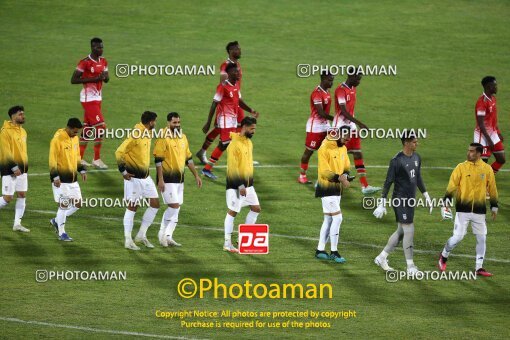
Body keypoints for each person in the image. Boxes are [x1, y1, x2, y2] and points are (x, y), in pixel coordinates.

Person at [373, 131, 433, 273]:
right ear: (406, 142)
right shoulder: (396, 160)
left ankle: (381, 257)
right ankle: (410, 266)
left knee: (401, 232)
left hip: (411, 200)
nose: (416, 143)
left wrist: (426, 195)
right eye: (414, 141)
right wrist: (382, 203)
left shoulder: (417, 157)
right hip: (400, 200)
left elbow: (417, 177)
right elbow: (388, 182)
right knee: (409, 230)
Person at [438, 143, 498, 277]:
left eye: (471, 151)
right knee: (457, 237)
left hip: (479, 211)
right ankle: (443, 256)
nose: (468, 153)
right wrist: (446, 203)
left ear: (479, 154)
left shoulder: (487, 169)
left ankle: (479, 267)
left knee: (482, 238)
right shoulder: (461, 167)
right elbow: (451, 186)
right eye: (468, 151)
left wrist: (494, 206)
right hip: (462, 211)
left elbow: (492, 189)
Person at [200, 63, 259, 180]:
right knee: (227, 144)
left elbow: (239, 101)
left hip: (233, 119)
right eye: (236, 72)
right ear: (230, 73)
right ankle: (235, 170)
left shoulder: (236, 85)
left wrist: (250, 110)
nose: (239, 74)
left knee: (223, 144)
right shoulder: (223, 87)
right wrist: (208, 122)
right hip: (225, 119)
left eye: (239, 71)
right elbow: (214, 104)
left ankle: (207, 169)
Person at [154, 112, 202, 247]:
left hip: (180, 179)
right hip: (167, 178)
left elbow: (189, 158)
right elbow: (158, 160)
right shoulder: (163, 137)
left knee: (177, 208)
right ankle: (162, 233)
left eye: (178, 122)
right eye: (174, 123)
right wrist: (160, 179)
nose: (177, 125)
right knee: (174, 207)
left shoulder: (183, 137)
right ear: (168, 122)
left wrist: (196, 175)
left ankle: (169, 236)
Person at [115, 111, 160, 250]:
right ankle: (128, 240)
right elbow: (118, 152)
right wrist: (123, 171)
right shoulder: (136, 134)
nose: (156, 124)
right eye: (155, 121)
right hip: (133, 178)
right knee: (132, 207)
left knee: (155, 204)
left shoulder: (149, 132)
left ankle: (141, 235)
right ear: (151, 122)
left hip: (146, 176)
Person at [196, 41, 244, 164]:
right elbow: (223, 82)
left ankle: (240, 154)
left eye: (239, 48)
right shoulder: (226, 65)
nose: (239, 51)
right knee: (219, 129)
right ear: (230, 51)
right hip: (227, 102)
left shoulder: (237, 64)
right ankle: (203, 152)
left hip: (236, 101)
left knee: (240, 126)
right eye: (237, 49)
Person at [333, 74, 381, 194]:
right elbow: (343, 111)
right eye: (358, 79)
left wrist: (354, 124)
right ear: (350, 77)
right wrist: (360, 123)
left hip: (351, 126)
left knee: (357, 153)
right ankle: (324, 181)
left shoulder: (353, 89)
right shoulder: (340, 90)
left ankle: (365, 186)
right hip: (340, 127)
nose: (359, 82)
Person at [314, 126, 353, 263]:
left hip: (337, 189)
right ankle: (334, 252)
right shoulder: (324, 148)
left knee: (329, 220)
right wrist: (340, 178)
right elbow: (324, 171)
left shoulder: (343, 148)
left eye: (349, 139)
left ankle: (320, 250)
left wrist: (346, 176)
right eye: (345, 138)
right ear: (337, 135)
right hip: (327, 188)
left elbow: (347, 166)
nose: (347, 141)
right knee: (338, 218)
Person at [71, 37, 109, 169]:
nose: (101, 49)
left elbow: (106, 77)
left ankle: (79, 158)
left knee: (87, 128)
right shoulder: (85, 63)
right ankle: (96, 159)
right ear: (93, 48)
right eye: (99, 47)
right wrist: (94, 78)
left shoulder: (103, 61)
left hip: (98, 99)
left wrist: (105, 77)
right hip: (88, 100)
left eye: (102, 47)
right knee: (101, 127)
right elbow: (74, 80)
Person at [223, 117, 260, 253]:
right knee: (233, 212)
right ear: (244, 127)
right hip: (236, 186)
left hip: (248, 185)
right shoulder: (234, 145)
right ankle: (227, 243)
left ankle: (243, 239)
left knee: (256, 208)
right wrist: (240, 185)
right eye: (252, 128)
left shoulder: (248, 142)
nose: (253, 131)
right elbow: (233, 168)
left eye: (254, 129)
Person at [49, 118, 86, 241]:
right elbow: (52, 160)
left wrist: (81, 169)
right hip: (60, 180)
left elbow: (77, 156)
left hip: (72, 180)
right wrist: (55, 176)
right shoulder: (57, 139)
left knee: (78, 204)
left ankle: (56, 220)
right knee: (63, 205)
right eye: (74, 132)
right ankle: (62, 233)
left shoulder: (74, 139)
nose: (76, 134)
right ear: (68, 128)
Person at [298, 71, 334, 184]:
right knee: (309, 152)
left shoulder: (327, 91)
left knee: (331, 150)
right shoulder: (317, 93)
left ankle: (327, 175)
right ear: (323, 79)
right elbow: (321, 112)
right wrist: (336, 119)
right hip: (316, 127)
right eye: (329, 80)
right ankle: (302, 175)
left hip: (326, 126)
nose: (331, 82)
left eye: (332, 80)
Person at [0, 106, 29, 232]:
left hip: (23, 169)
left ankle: (17, 224)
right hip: (9, 169)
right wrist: (14, 166)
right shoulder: (5, 131)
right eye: (20, 114)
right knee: (7, 198)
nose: (23, 116)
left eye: (23, 114)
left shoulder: (23, 131)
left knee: (22, 194)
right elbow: (5, 151)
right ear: (13, 116)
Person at [474, 76, 505, 174]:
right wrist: (488, 139)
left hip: (493, 133)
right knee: (482, 163)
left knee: (501, 159)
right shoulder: (482, 103)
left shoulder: (493, 99)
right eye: (494, 85)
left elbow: (493, 119)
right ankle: (478, 183)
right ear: (488, 86)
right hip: (482, 135)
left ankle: (488, 177)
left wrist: (498, 132)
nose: (496, 87)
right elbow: (481, 123)